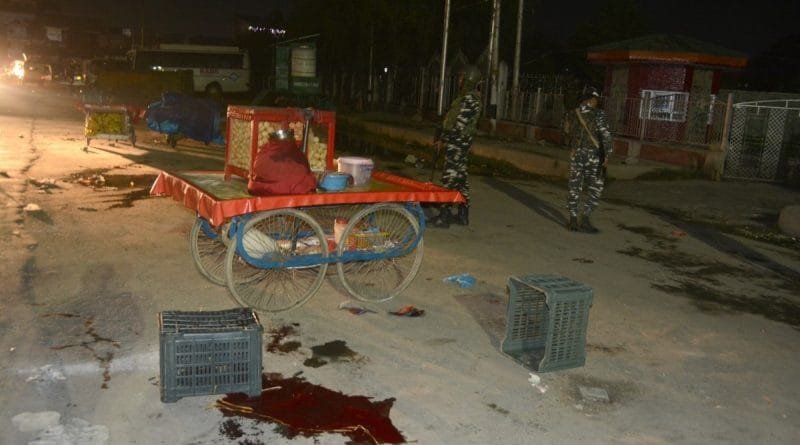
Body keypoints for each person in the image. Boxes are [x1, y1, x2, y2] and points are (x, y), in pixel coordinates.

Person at [430, 65, 483, 228]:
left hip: (458, 143)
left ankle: (444, 216)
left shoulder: (470, 99)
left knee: (449, 178)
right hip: (460, 141)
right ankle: (463, 214)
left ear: (469, 79)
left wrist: (444, 139)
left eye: (462, 77)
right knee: (461, 181)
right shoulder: (467, 97)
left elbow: (459, 125)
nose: (459, 80)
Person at [562, 87, 613, 233]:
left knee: (575, 186)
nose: (597, 103)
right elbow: (606, 136)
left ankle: (572, 219)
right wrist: (607, 155)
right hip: (594, 156)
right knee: (596, 186)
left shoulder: (572, 113)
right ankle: (585, 217)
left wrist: (573, 145)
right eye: (596, 100)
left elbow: (565, 130)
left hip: (577, 154)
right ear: (592, 100)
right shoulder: (599, 114)